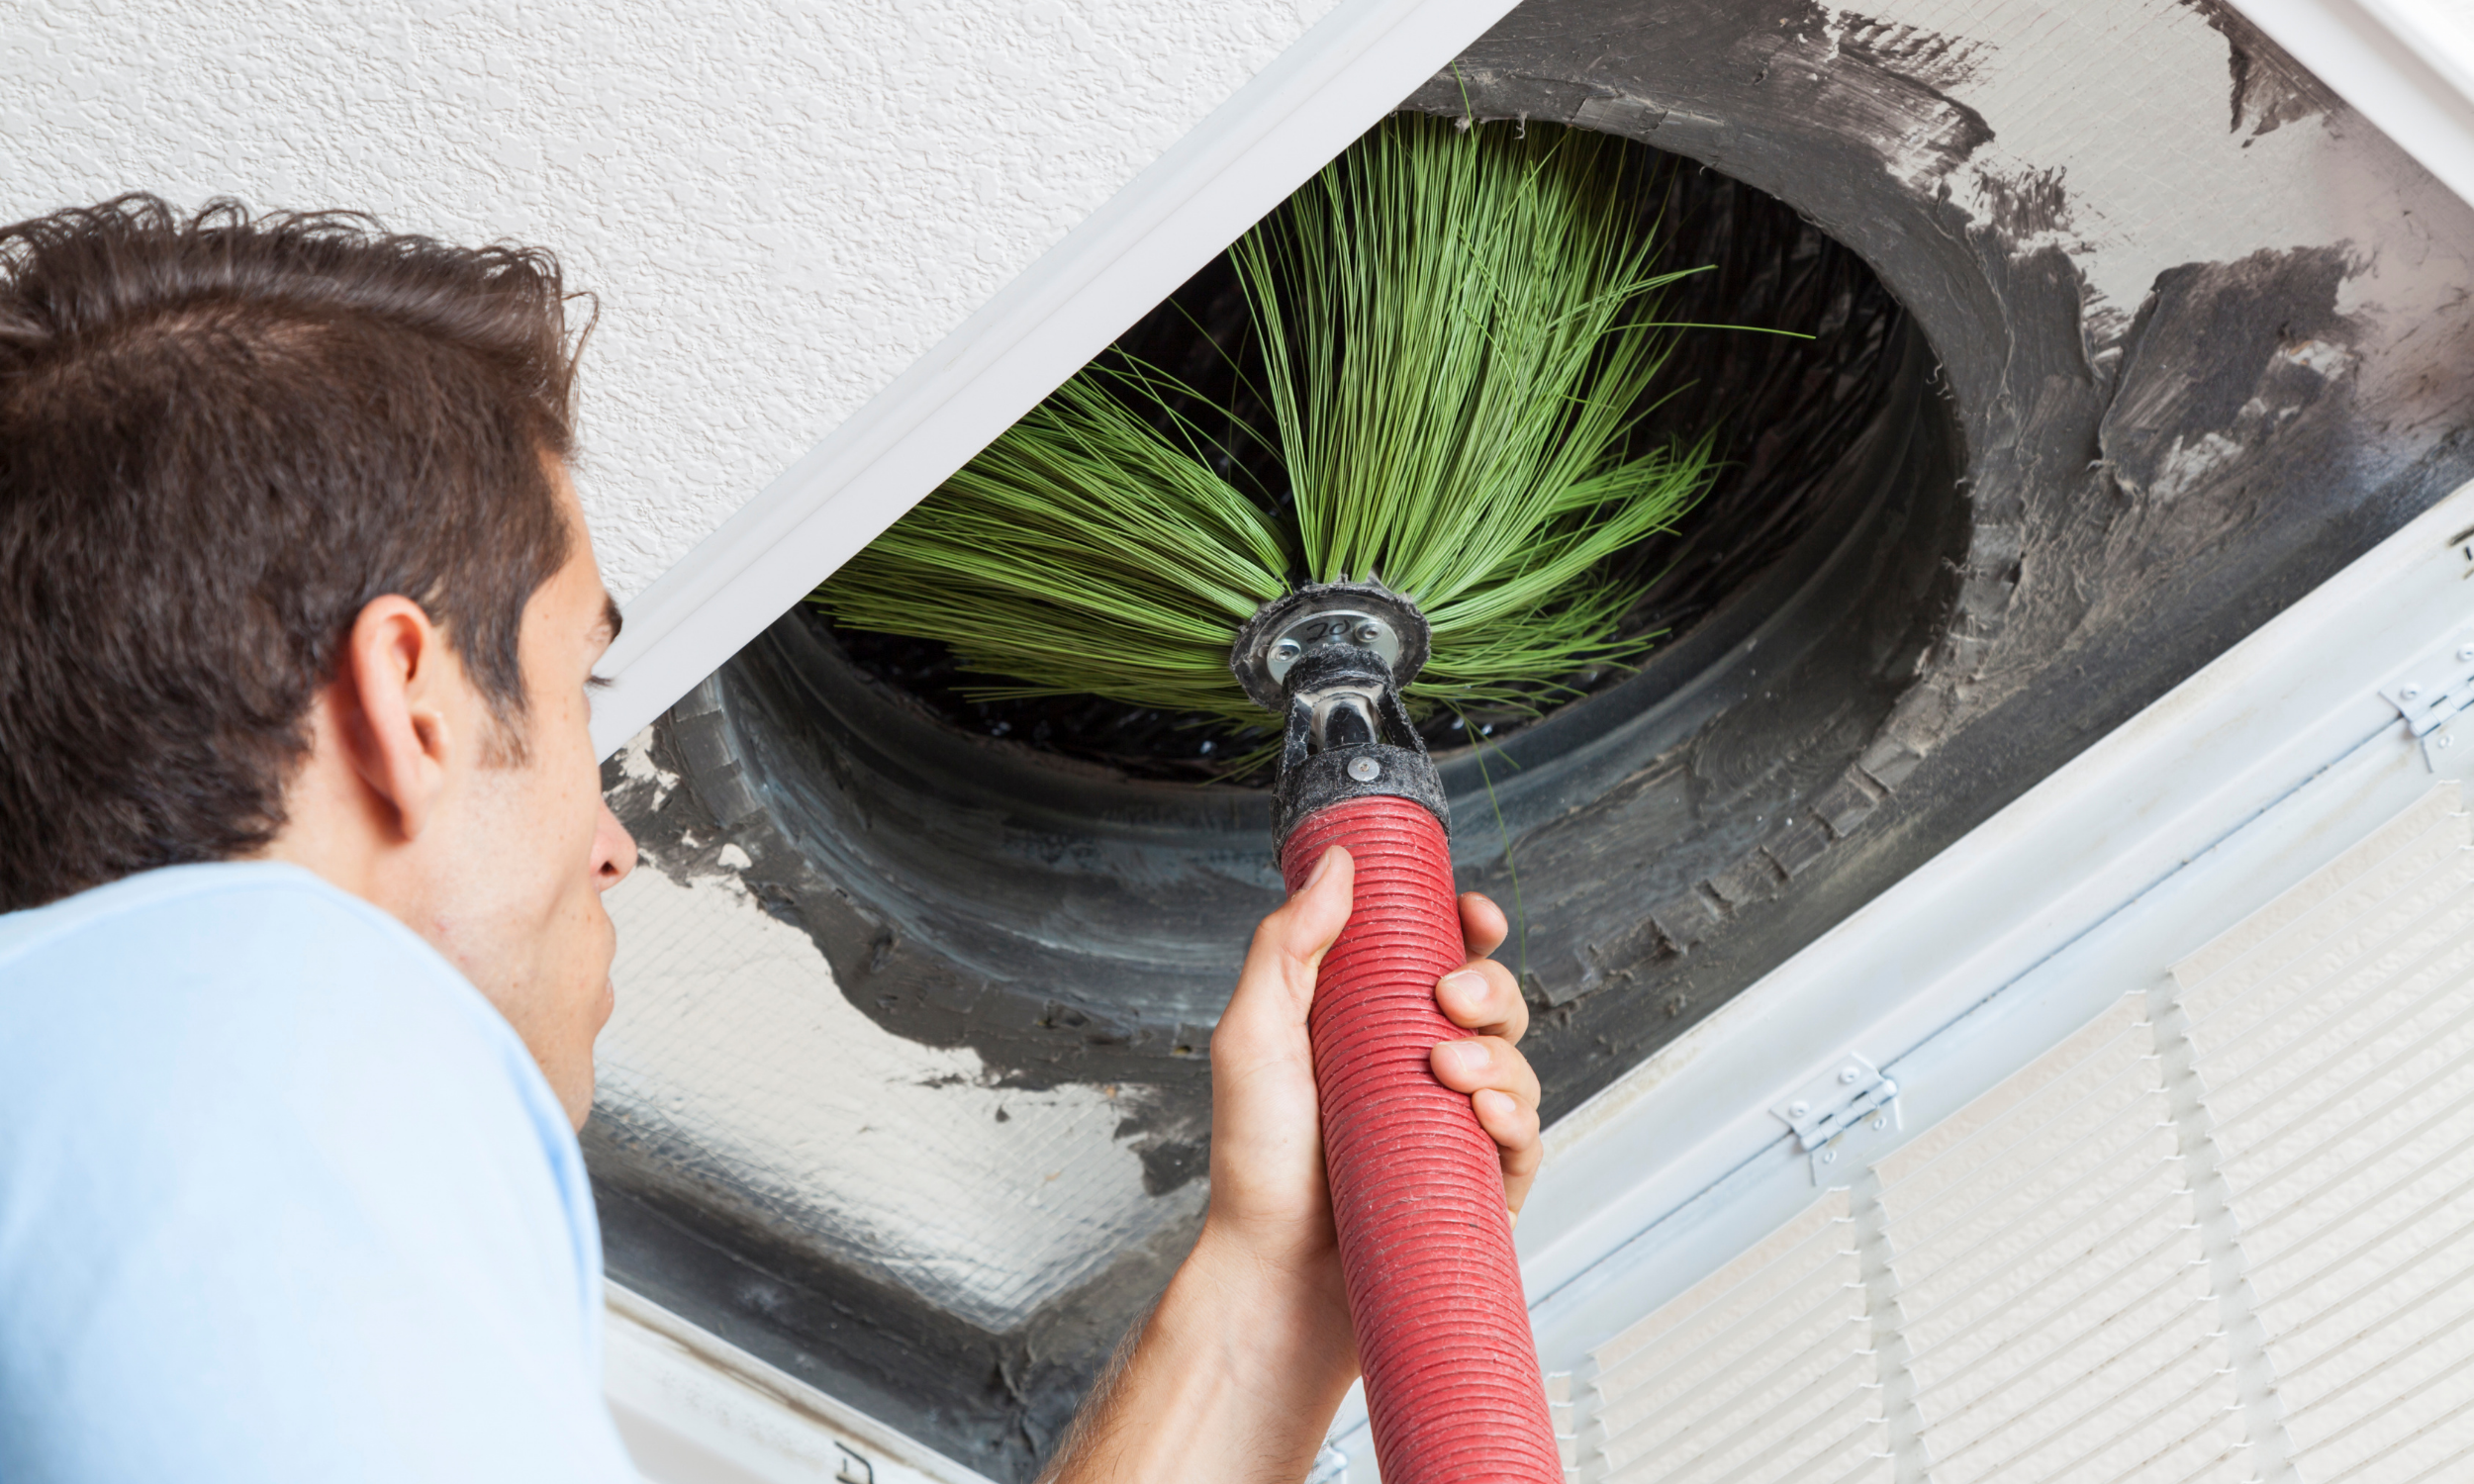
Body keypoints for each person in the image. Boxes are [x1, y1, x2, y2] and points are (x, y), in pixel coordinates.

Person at [0, 196, 1546, 1482]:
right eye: (574, 682)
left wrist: (1277, 1286)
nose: (615, 845)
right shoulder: (267, 1047)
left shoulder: (111, 1138)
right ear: (411, 702)